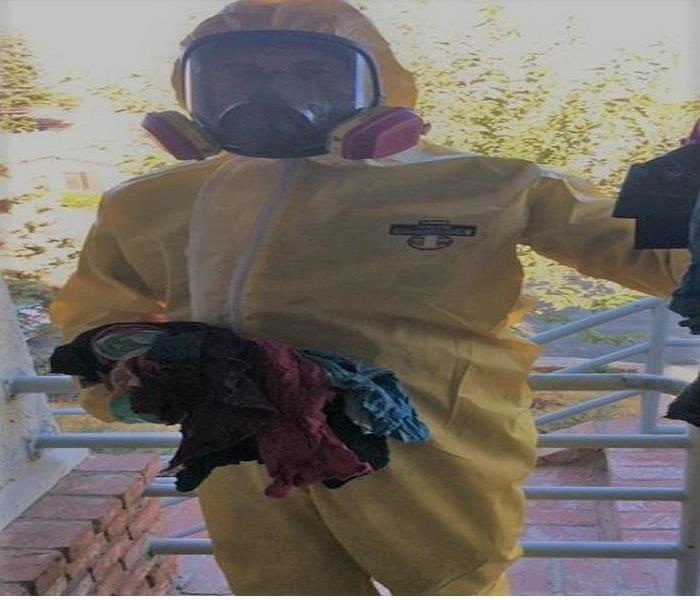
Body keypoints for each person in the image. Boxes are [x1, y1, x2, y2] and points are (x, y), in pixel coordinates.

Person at [50, 0, 690, 594]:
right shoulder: (144, 202)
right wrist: (131, 379)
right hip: (245, 451)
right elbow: (99, 315)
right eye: (240, 74)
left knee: (453, 586)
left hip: (435, 451)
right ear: (193, 89)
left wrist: (688, 190)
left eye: (311, 73)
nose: (271, 96)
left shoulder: (490, 185)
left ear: (376, 87)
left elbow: (664, 264)